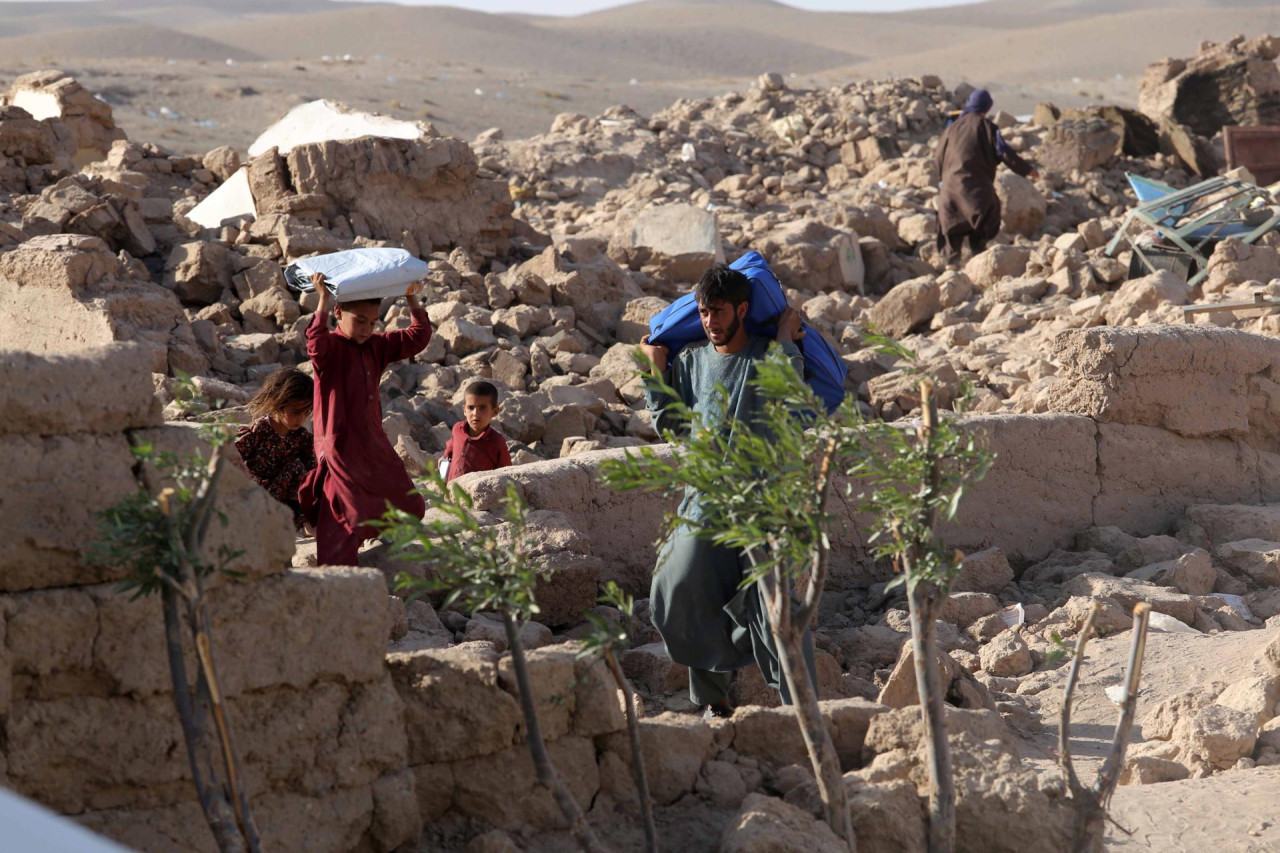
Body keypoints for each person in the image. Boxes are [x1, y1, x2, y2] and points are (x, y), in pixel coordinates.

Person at [638, 264, 819, 719]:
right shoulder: (694, 362)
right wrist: (655, 377)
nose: (710, 321)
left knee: (772, 604)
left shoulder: (768, 355)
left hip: (764, 503)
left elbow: (794, 409)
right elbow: (675, 428)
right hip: (704, 501)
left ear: (741, 309)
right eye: (702, 312)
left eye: (718, 311)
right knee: (683, 586)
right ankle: (713, 702)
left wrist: (783, 343)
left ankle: (802, 710)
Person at [299, 272, 432, 566]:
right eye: (359, 320)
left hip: (372, 442)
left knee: (407, 500)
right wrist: (322, 299)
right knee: (344, 512)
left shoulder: (376, 346)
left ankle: (384, 534)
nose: (366, 329)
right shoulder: (330, 349)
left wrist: (410, 295)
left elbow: (418, 336)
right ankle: (341, 578)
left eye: (372, 322)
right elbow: (314, 345)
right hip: (339, 446)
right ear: (338, 313)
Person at [935, 88, 1040, 265]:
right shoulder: (987, 127)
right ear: (985, 108)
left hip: (950, 191)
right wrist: (1027, 170)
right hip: (976, 191)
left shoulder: (951, 129)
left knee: (951, 226)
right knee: (987, 214)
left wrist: (942, 183)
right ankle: (978, 258)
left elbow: (938, 157)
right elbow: (1004, 153)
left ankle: (952, 269)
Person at [233, 366, 317, 534]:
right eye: (296, 412)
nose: (301, 418)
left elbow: (311, 472)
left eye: (306, 412)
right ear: (278, 404)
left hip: (286, 507)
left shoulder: (302, 437)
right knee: (295, 467)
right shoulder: (259, 431)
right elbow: (231, 455)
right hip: (258, 497)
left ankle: (306, 521)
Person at [441, 380, 512, 483]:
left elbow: (507, 475)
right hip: (453, 494)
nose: (475, 413)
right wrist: (441, 481)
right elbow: (447, 457)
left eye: (482, 408)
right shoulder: (457, 430)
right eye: (471, 407)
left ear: (495, 411)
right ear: (464, 410)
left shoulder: (497, 442)